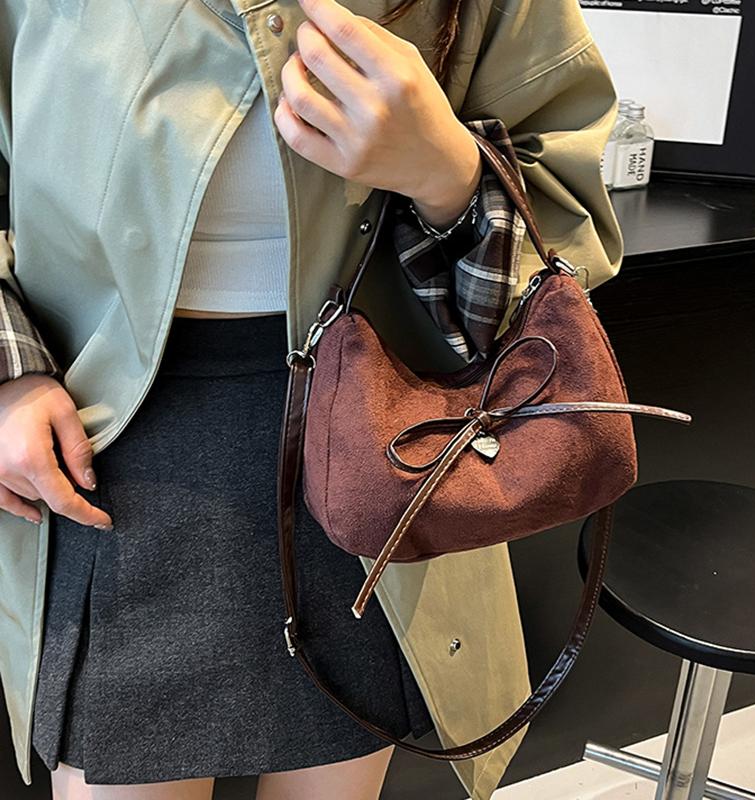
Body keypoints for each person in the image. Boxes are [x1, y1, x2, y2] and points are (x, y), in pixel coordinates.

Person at [0, 1, 624, 798]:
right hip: (105, 445)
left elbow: (565, 224)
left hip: (375, 448)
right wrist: (9, 370)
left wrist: (446, 171)